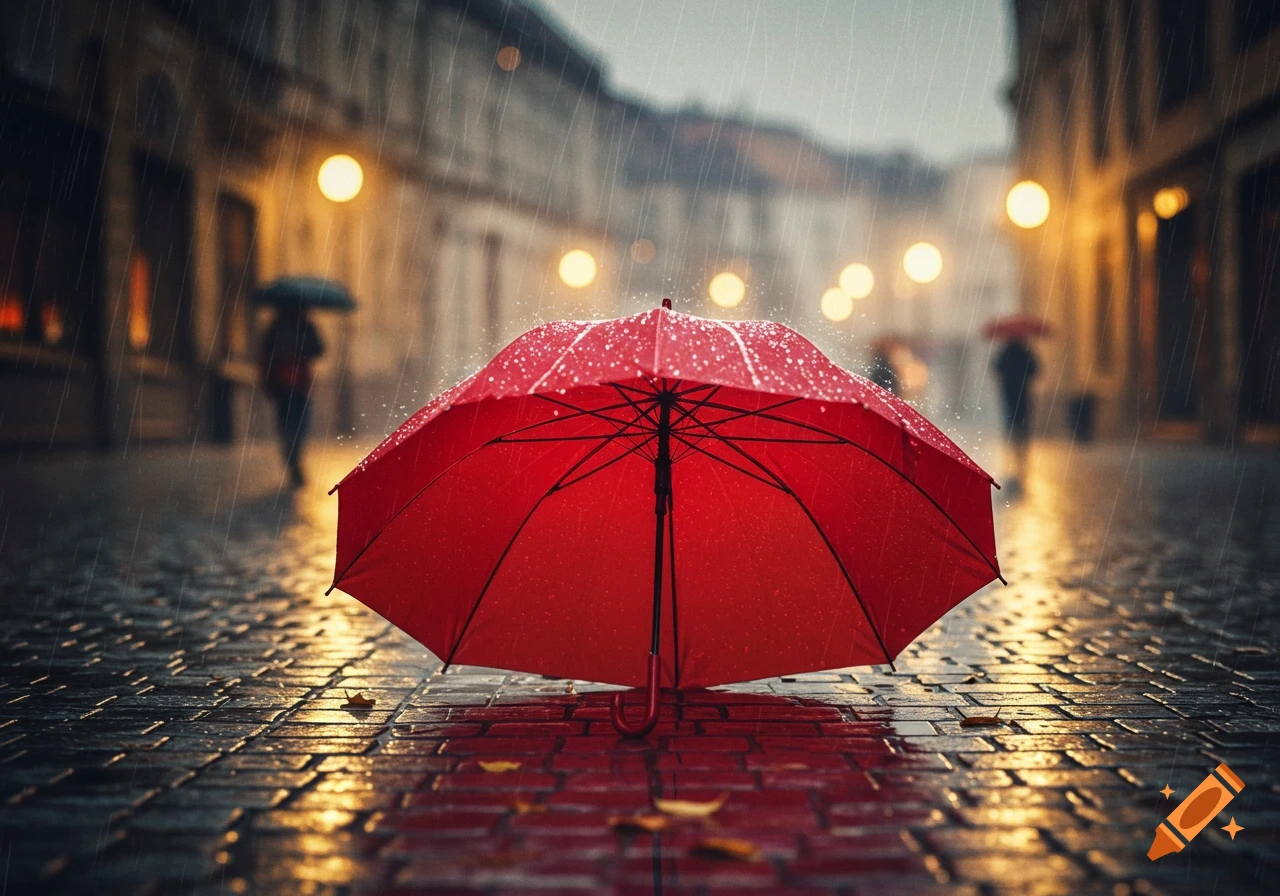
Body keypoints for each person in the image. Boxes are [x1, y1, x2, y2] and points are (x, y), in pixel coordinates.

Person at [260, 306, 324, 486]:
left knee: (291, 425)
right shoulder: (289, 328)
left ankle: (293, 459)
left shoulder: (281, 327)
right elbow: (319, 349)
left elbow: (319, 349)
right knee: (296, 424)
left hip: (292, 384)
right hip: (290, 384)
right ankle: (293, 460)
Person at [993, 337, 1039, 492]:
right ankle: (1021, 450)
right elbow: (1035, 370)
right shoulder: (1025, 352)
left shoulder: (1005, 352)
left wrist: (1008, 376)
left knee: (1012, 422)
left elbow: (996, 369)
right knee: (1022, 422)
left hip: (1009, 394)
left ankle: (1015, 448)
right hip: (1022, 394)